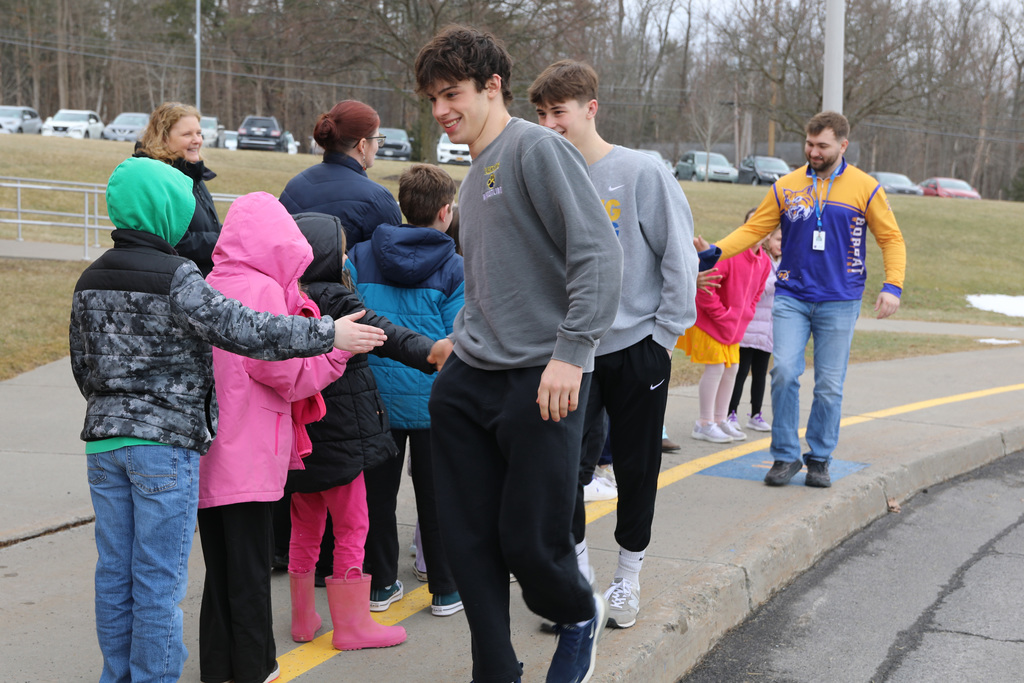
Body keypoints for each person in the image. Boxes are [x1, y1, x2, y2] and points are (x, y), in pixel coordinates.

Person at [69, 157, 386, 683]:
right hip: (167, 444)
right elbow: (247, 332)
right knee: (160, 580)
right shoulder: (178, 277)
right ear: (166, 212)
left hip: (104, 443)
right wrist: (329, 337)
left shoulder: (90, 276)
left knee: (116, 575)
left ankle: (119, 675)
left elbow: (83, 363)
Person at [416, 26, 624, 683]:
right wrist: (463, 330)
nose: (441, 109)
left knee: (531, 543)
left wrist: (573, 349)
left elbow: (598, 253)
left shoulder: (535, 149)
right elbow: (492, 279)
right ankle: (495, 667)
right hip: (469, 380)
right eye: (432, 98)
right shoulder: (473, 176)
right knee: (468, 541)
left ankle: (578, 612)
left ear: (492, 86)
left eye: (452, 94)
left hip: (543, 379)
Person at [528, 59, 699, 630]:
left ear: (589, 109)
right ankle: (579, 587)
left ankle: (629, 577)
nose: (551, 124)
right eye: (542, 114)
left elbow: (678, 254)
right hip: (571, 352)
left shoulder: (640, 171)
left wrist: (665, 337)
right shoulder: (546, 173)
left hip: (638, 346)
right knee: (563, 470)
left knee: (635, 465)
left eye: (560, 112)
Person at [196, 193, 352, 683]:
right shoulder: (263, 290)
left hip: (208, 449)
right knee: (250, 572)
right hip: (250, 452)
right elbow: (284, 373)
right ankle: (255, 666)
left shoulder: (211, 282)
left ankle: (217, 666)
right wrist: (335, 355)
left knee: (220, 573)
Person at [712, 111, 906, 488]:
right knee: (784, 372)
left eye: (822, 146)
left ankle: (819, 457)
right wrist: (716, 252)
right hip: (792, 295)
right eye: (809, 144)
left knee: (829, 386)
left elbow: (891, 239)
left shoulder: (865, 188)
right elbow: (755, 229)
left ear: (842, 146)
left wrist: (892, 285)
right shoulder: (786, 186)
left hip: (839, 298)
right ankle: (784, 456)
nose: (813, 152)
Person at [285, 211, 449, 651]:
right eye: (340, 248)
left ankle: (303, 619)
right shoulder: (340, 302)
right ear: (327, 255)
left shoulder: (286, 299)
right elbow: (387, 333)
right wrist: (429, 351)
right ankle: (353, 625)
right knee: (353, 527)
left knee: (304, 528)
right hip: (342, 440)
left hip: (299, 443)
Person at [348, 163, 465, 617]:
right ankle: (445, 587)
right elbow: (457, 337)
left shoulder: (360, 255)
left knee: (376, 494)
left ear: (401, 207)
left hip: (375, 395)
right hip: (437, 397)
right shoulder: (455, 265)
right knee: (439, 496)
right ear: (445, 212)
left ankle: (380, 583)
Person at [679, 231, 771, 444]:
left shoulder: (763, 262)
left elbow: (757, 292)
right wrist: (722, 314)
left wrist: (747, 312)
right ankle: (704, 423)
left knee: (732, 369)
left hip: (734, 328)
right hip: (711, 323)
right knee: (716, 368)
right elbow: (705, 288)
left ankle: (720, 420)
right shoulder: (729, 255)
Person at [279, 100, 402, 247]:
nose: (377, 146)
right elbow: (390, 261)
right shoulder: (378, 200)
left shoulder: (294, 187)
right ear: (362, 145)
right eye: (377, 139)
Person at [134, 101, 221, 276]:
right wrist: (225, 241)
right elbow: (176, 243)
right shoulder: (159, 180)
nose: (197, 140)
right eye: (187, 134)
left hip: (201, 283)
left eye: (199, 133)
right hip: (178, 285)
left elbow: (207, 229)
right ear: (163, 138)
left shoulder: (192, 173)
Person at [727, 224, 782, 434]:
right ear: (768, 239)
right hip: (750, 329)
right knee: (740, 373)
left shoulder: (783, 263)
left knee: (760, 375)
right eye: (778, 239)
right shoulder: (763, 261)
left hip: (768, 331)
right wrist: (781, 279)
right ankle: (730, 412)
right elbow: (761, 288)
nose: (781, 245)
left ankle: (756, 414)